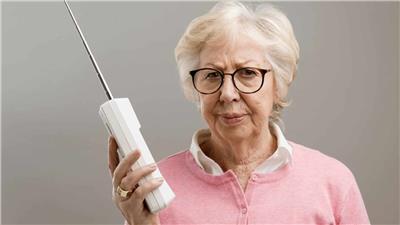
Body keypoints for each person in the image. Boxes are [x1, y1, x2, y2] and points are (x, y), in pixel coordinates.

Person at [107, 1, 371, 224]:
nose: (228, 94)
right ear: (195, 89)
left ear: (278, 84)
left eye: (247, 73)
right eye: (212, 75)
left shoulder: (333, 183)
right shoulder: (154, 190)